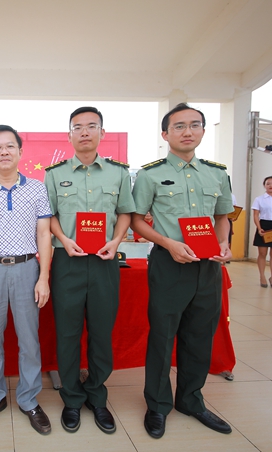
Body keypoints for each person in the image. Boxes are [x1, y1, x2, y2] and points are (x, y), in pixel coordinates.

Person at [131, 103, 233, 439]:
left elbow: (222, 216)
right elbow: (136, 220)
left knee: (200, 336)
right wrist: (168, 243)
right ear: (165, 134)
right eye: (179, 126)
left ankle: (191, 400)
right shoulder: (150, 174)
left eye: (194, 125)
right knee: (162, 337)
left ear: (203, 130)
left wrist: (224, 242)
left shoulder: (217, 174)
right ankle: (158, 405)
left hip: (208, 267)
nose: (187, 131)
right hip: (169, 264)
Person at [44, 106, 135, 435]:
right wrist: (64, 239)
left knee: (101, 332)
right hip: (67, 261)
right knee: (67, 333)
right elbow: (49, 215)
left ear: (102, 133)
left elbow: (125, 212)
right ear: (69, 135)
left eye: (91, 126)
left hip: (104, 261)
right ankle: (71, 398)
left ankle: (97, 395)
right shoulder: (54, 174)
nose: (84, 132)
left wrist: (116, 240)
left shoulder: (118, 173)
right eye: (78, 127)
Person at [0, 125, 53, 435]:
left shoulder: (37, 189)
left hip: (27, 268)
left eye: (10, 146)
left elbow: (44, 234)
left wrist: (43, 277)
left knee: (29, 338)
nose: (4, 152)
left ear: (20, 151)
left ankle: (29, 399)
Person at [252, 176, 272, 287]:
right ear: (264, 185)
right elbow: (256, 215)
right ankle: (262, 276)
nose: (270, 186)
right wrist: (259, 228)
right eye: (268, 183)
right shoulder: (259, 199)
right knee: (262, 253)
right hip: (264, 226)